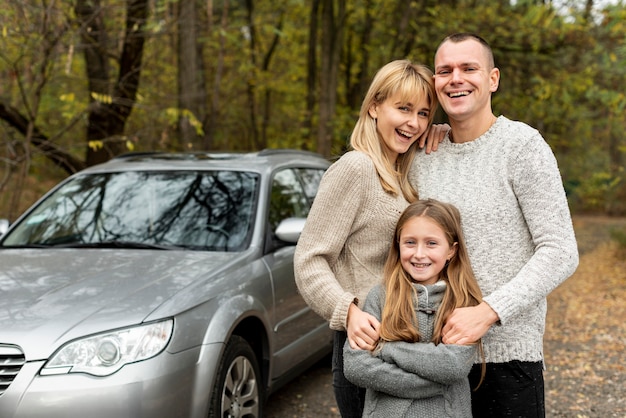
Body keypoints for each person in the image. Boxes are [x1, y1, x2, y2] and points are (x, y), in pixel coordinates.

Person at [411, 32, 580, 417]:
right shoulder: (423, 153)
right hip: (431, 359)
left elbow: (560, 251)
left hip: (507, 360)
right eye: (444, 70)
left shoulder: (522, 146)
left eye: (469, 68)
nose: (455, 78)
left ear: (493, 79)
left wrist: (488, 311)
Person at [294, 60, 438, 417]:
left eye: (423, 113)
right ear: (374, 106)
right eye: (403, 108)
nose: (413, 123)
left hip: (404, 342)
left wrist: (442, 132)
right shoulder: (356, 168)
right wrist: (348, 312)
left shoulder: (400, 174)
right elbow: (309, 259)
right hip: (366, 346)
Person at [343, 199, 483, 417]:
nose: (419, 253)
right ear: (397, 245)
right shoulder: (380, 296)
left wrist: (385, 349)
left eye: (431, 243)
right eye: (410, 242)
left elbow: (453, 366)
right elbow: (357, 367)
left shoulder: (464, 301)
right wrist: (436, 383)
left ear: (451, 251)